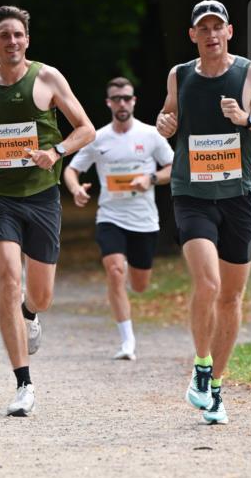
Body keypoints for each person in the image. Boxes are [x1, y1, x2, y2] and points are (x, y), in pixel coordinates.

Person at [156, 0, 251, 424]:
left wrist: (247, 120)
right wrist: (164, 124)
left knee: (232, 296)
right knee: (208, 283)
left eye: (218, 27)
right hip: (191, 194)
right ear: (192, 35)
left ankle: (215, 388)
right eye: (204, 28)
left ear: (229, 32)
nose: (211, 34)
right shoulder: (179, 75)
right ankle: (201, 366)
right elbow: (168, 118)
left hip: (238, 197)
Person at [0, 4, 95, 416]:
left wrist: (56, 151)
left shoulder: (47, 77)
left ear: (27, 40)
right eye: (4, 35)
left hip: (42, 196)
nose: (12, 41)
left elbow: (86, 129)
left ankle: (30, 313)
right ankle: (23, 384)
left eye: (18, 34)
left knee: (41, 295)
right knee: (8, 281)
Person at [64, 76, 173, 360]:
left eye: (126, 98)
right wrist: (76, 189)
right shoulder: (97, 138)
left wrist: (150, 178)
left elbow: (173, 167)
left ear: (134, 101)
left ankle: (128, 277)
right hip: (110, 216)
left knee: (139, 285)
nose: (122, 103)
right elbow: (71, 170)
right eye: (116, 99)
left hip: (144, 220)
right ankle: (127, 342)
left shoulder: (151, 135)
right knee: (114, 271)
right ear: (109, 103)